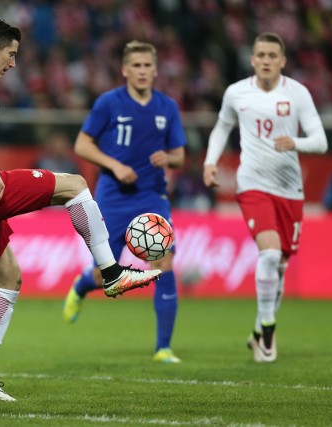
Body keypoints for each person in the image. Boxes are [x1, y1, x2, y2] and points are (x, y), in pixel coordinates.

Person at [0, 17, 162, 401]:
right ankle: (111, 273)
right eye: (10, 54)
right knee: (75, 185)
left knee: (9, 277)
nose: (12, 63)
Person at [203, 32, 328, 363]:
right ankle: (269, 333)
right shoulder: (236, 93)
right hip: (252, 185)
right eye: (261, 54)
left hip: (290, 190)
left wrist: (295, 143)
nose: (267, 60)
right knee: (270, 255)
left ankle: (257, 332)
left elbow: (321, 141)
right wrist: (210, 162)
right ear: (253, 59)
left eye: (273, 55)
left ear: (282, 61)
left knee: (281, 266)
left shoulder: (297, 94)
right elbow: (221, 128)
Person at [62, 41, 187, 364]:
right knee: (108, 277)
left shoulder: (167, 107)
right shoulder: (109, 103)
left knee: (165, 265)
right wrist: (114, 165)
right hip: (113, 198)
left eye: (148, 65)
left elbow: (180, 154)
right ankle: (82, 285)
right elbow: (82, 144)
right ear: (125, 70)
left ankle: (163, 348)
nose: (143, 71)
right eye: (137, 65)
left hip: (152, 197)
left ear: (156, 70)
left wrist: (169, 158)